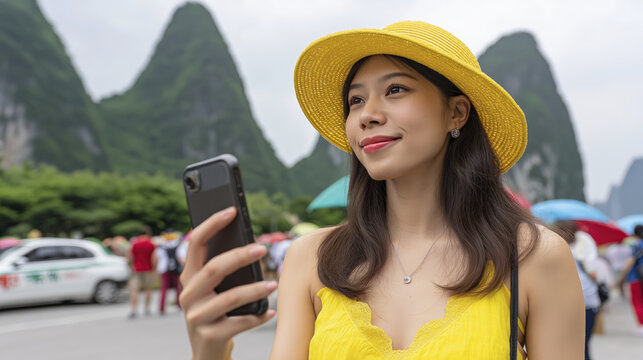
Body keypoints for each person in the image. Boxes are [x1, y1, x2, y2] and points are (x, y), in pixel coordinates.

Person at [179, 21, 584, 359]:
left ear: (456, 112)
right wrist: (209, 350)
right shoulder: (312, 260)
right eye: (356, 100)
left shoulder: (533, 257)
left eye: (395, 90)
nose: (367, 116)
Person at [554, 220, 601, 359]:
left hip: (584, 300)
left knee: (581, 343)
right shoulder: (558, 245)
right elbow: (593, 272)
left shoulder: (583, 241)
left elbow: (592, 270)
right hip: (576, 301)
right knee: (579, 343)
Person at [615, 224, 643, 336]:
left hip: (635, 278)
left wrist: (620, 279)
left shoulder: (637, 245)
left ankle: (641, 325)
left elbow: (630, 262)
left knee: (637, 302)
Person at [127, 225, 158, 319]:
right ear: (148, 233)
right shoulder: (151, 244)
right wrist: (154, 268)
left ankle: (133, 310)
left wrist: (131, 266)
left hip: (137, 269)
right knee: (148, 289)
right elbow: (154, 258)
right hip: (148, 269)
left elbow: (130, 256)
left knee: (135, 290)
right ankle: (147, 308)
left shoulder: (135, 244)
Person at [156, 228, 183, 315]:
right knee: (178, 288)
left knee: (164, 288)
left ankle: (162, 307)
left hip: (164, 269)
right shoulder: (178, 245)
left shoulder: (162, 246)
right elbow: (181, 258)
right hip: (175, 268)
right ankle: (179, 305)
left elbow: (157, 258)